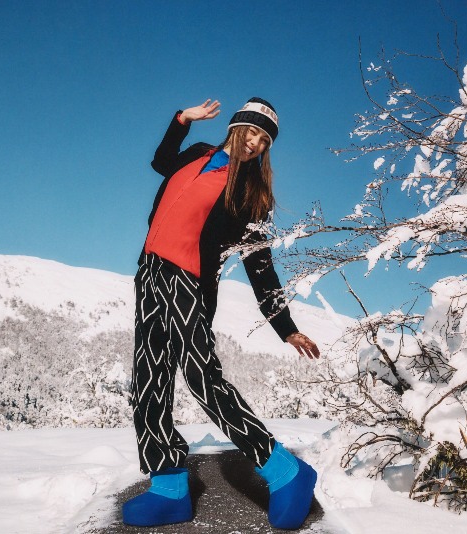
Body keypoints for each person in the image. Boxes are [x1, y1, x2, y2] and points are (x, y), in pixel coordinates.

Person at [123, 98, 321, 529]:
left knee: (201, 377)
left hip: (189, 284)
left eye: (265, 140)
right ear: (235, 127)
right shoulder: (196, 155)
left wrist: (285, 327)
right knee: (149, 379)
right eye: (252, 132)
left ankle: (284, 469)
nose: (255, 143)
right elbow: (160, 162)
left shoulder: (251, 195)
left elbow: (260, 265)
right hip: (150, 273)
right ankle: (168, 485)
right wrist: (182, 120)